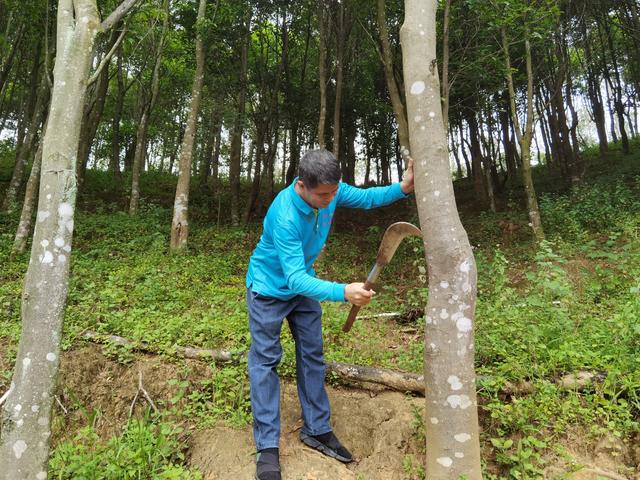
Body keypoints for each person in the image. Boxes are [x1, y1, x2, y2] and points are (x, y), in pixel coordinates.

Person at [246, 149, 414, 480]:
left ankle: (317, 429)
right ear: (302, 186)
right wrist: (342, 291)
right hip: (269, 290)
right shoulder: (284, 215)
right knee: (265, 361)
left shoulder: (331, 191)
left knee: (312, 354)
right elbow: (292, 277)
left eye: (334, 192)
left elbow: (366, 198)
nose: (330, 198)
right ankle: (267, 448)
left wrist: (403, 188)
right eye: (323, 194)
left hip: (303, 289)